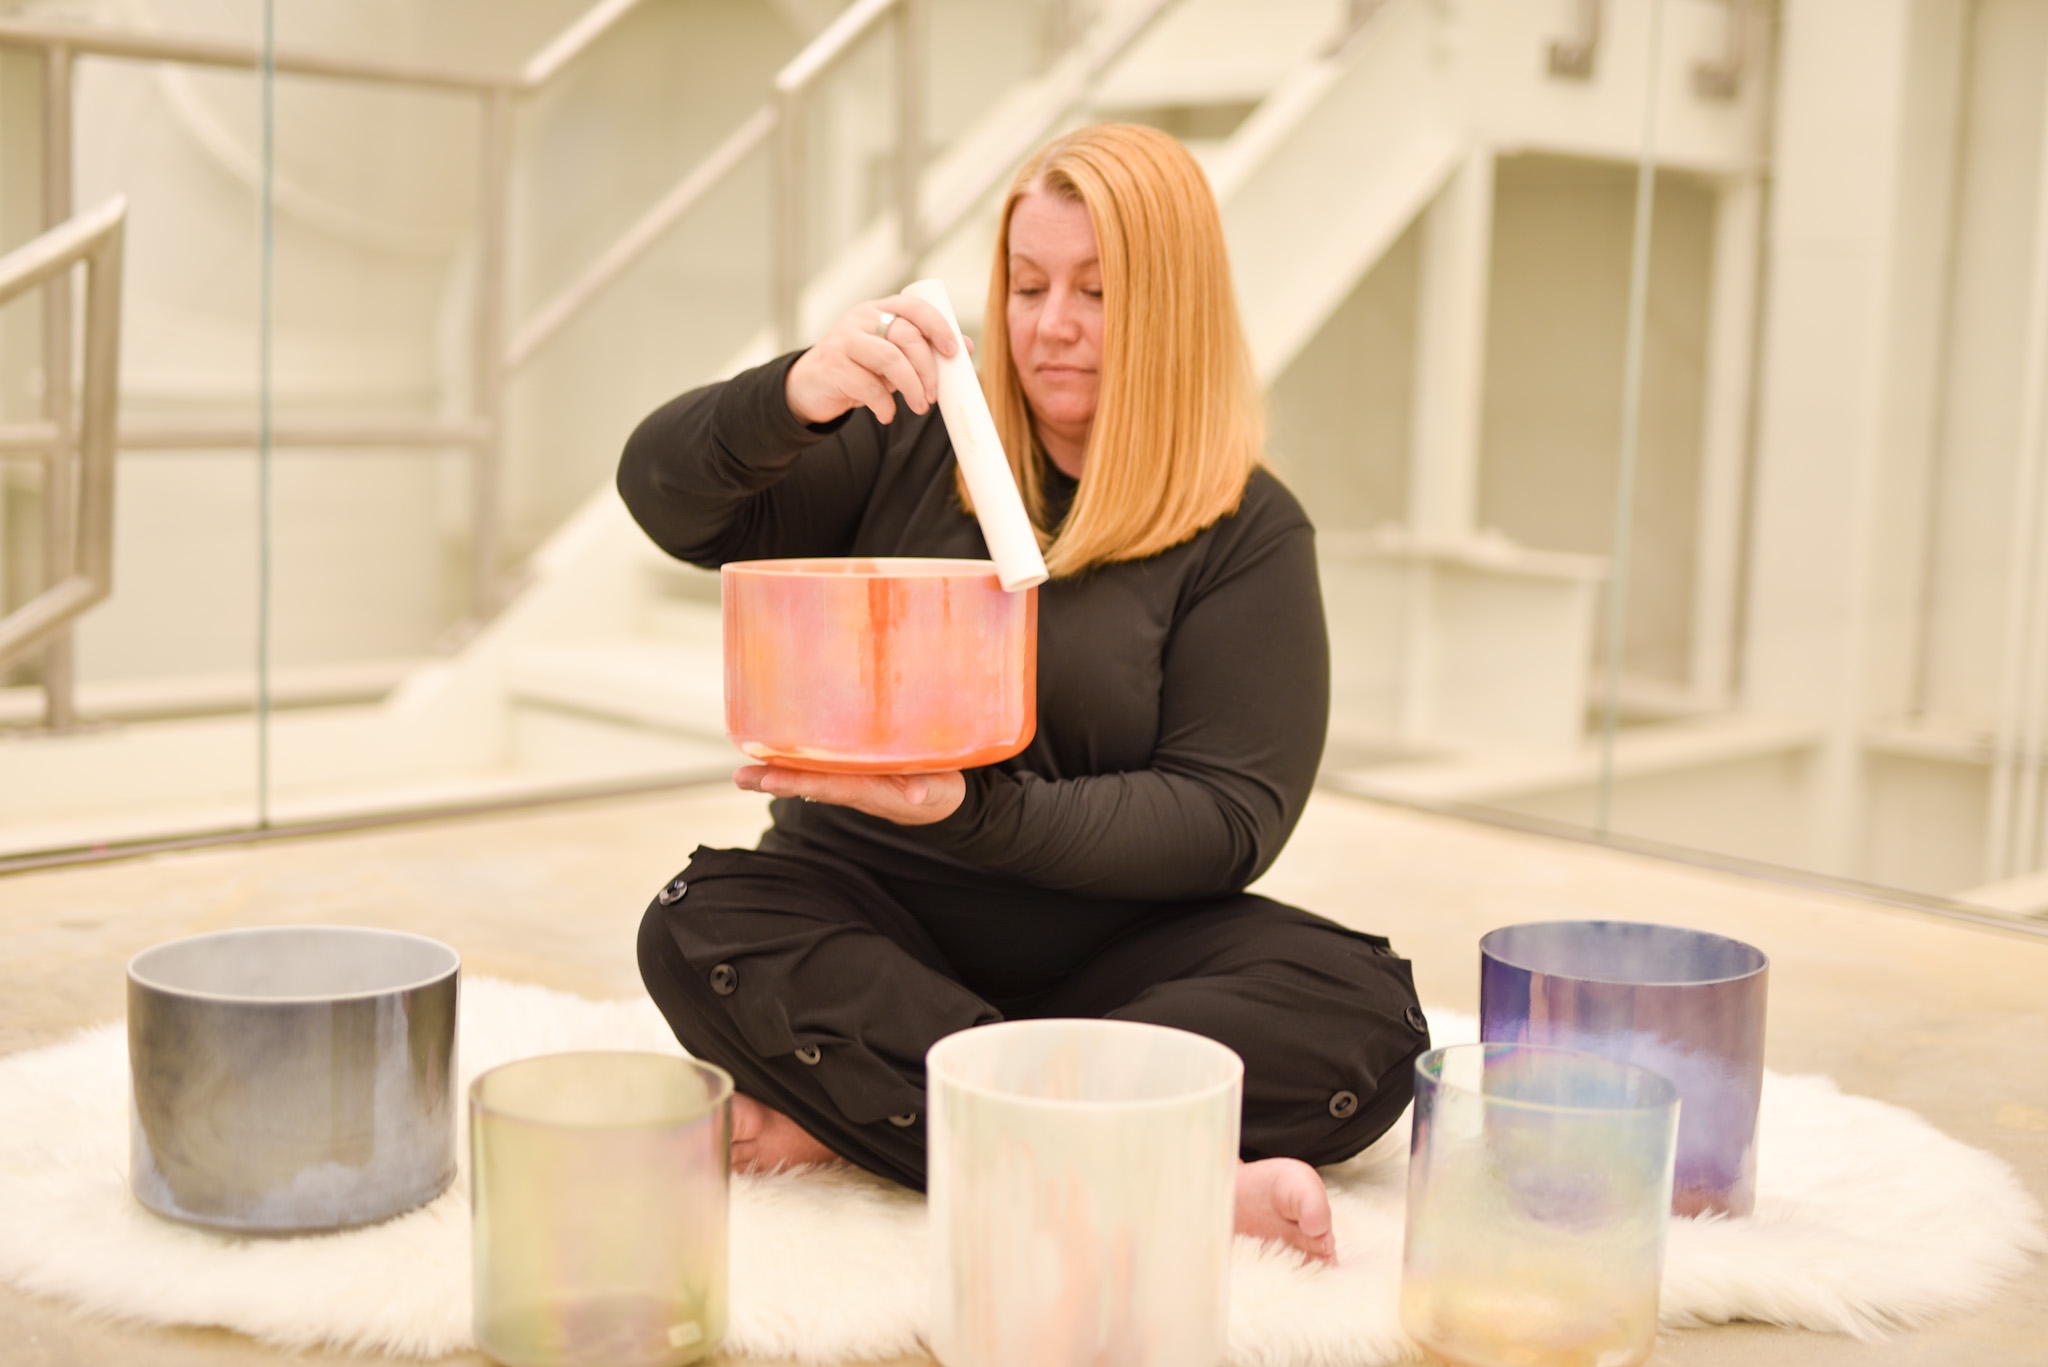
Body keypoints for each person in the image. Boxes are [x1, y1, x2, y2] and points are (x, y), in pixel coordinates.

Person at [619, 122, 1428, 1261]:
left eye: (1097, 292)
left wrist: (973, 809)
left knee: (1361, 1014)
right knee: (697, 922)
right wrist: (792, 393)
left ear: (1173, 310)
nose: (1052, 326)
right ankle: (1137, 1159)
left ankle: (876, 1107)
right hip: (868, 906)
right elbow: (668, 503)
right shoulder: (905, 442)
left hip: (1123, 952)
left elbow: (1226, 816)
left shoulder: (1244, 528)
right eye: (1027, 284)